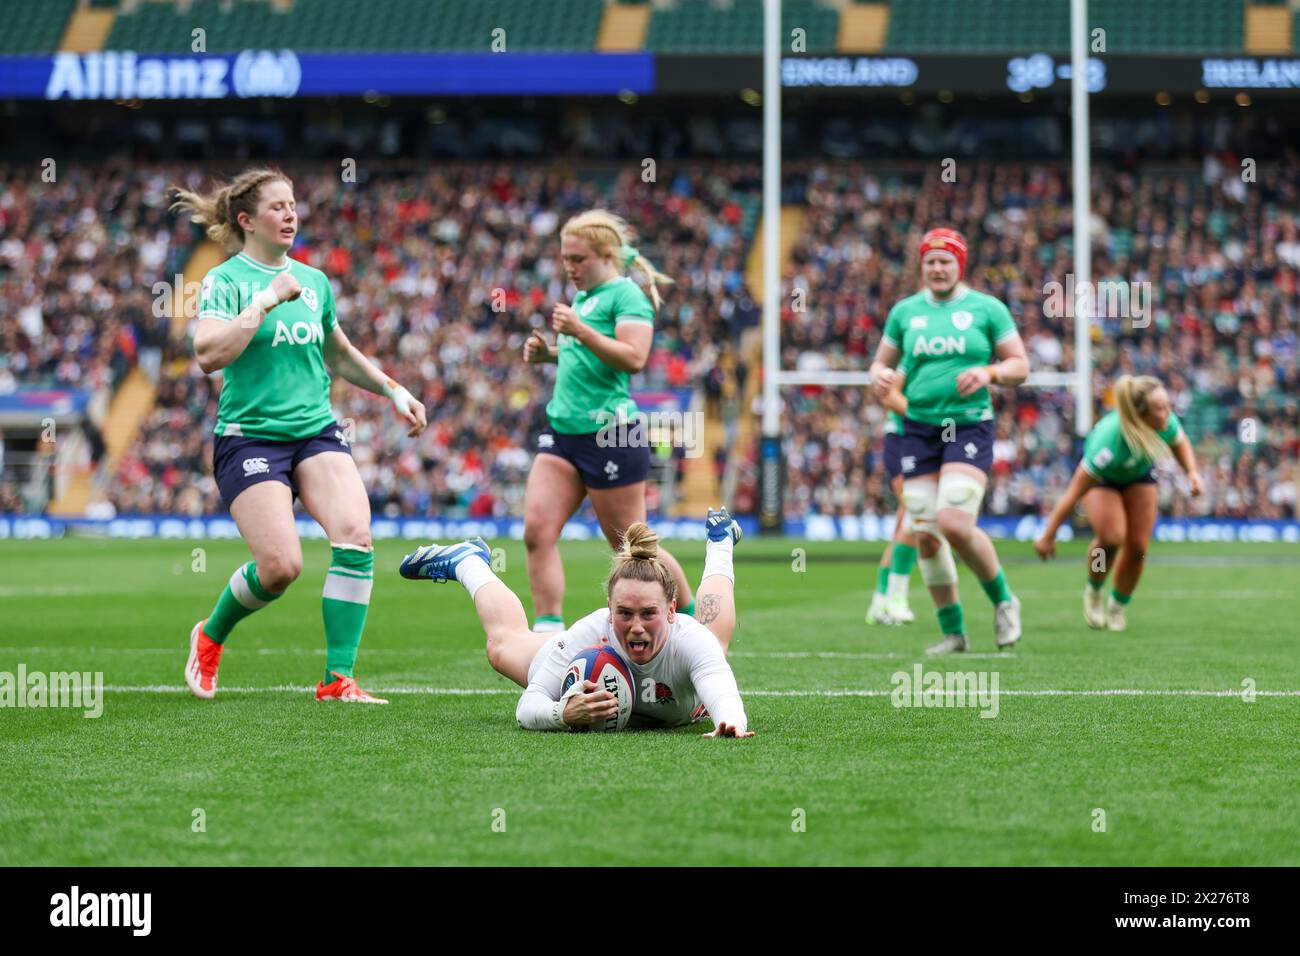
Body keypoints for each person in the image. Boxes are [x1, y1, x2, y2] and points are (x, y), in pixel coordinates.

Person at [172, 167, 427, 703]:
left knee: (356, 535)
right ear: (246, 220)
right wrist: (263, 301)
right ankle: (211, 635)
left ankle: (338, 680)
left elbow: (338, 353)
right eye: (277, 207)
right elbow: (207, 355)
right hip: (250, 439)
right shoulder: (225, 281)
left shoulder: (315, 282)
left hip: (316, 432)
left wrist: (393, 389)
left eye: (293, 205)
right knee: (281, 567)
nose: (290, 215)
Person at [399, 508, 753, 737]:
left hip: (690, 680)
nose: (636, 626)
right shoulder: (592, 631)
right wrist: (563, 712)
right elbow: (528, 706)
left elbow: (722, 690)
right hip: (568, 651)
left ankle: (720, 543)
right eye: (624, 613)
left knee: (712, 638)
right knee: (501, 646)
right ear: (609, 609)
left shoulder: (688, 639)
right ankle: (469, 562)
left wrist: (731, 722)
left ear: (672, 610)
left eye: (649, 613)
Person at [520, 210, 694, 633]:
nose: (570, 268)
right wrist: (551, 354)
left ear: (606, 256)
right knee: (536, 530)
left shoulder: (626, 295)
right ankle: (548, 634)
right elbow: (588, 354)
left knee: (631, 546)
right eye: (565, 259)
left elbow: (633, 357)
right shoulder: (585, 296)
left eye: (578, 259)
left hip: (610, 433)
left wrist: (578, 330)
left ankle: (689, 620)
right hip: (563, 432)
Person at [868, 228, 1029, 655]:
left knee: (955, 522)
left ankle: (1004, 601)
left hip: (968, 424)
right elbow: (879, 368)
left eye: (946, 261)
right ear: (921, 266)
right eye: (930, 262)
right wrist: (878, 378)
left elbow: (1020, 365)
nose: (937, 268)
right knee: (924, 531)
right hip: (918, 429)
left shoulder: (987, 309)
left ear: (961, 265)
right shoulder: (905, 313)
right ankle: (954, 633)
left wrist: (990, 373)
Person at [1034, 375, 1203, 630]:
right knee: (1111, 539)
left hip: (1139, 476)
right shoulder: (1108, 443)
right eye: (1160, 407)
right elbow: (1073, 493)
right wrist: (1048, 535)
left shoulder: (1165, 421)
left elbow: (1180, 442)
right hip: (1103, 480)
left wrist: (1191, 472)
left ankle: (1117, 606)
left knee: (1138, 548)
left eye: (1167, 405)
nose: (1168, 412)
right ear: (1140, 415)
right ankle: (1094, 588)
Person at [867, 368, 919, 626]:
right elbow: (889, 397)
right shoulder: (908, 359)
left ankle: (880, 602)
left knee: (905, 521)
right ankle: (892, 600)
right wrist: (929, 417)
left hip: (911, 441)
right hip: (902, 442)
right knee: (912, 517)